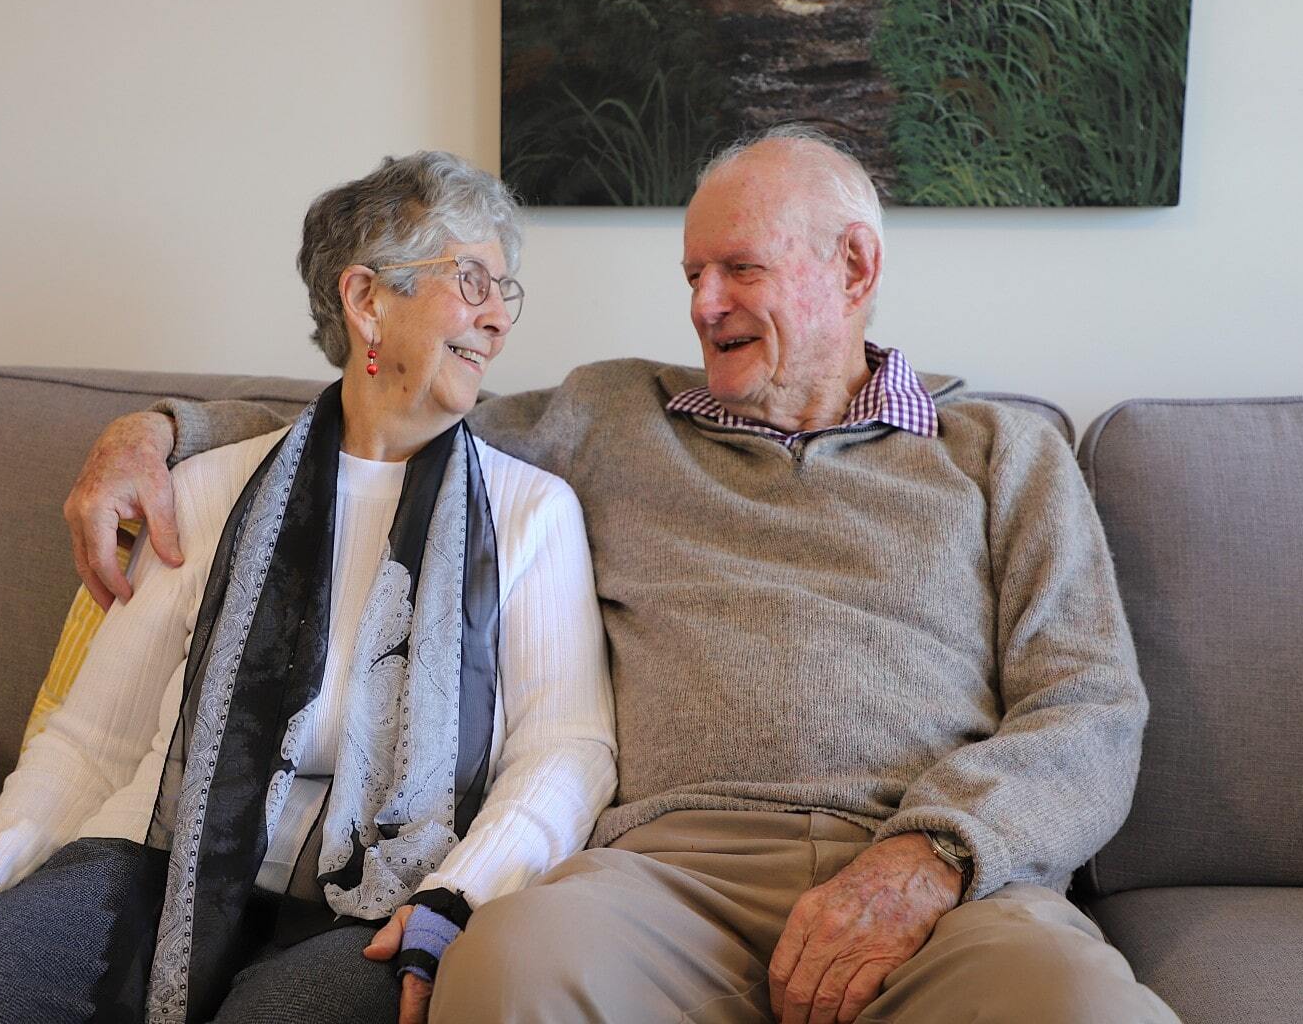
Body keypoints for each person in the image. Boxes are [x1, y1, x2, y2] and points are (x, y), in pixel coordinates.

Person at [65, 126, 1178, 1023]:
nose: (700, 305)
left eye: (738, 268)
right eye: (692, 273)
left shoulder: (998, 449)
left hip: (936, 879)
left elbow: (1089, 706)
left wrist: (932, 858)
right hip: (665, 879)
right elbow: (384, 416)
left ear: (854, 267)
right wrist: (165, 430)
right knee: (508, 974)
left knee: (1082, 1006)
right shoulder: (612, 413)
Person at [0, 151, 616, 1024]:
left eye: (507, 291)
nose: (499, 320)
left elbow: (566, 749)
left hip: (388, 893)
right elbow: (92, 739)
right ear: (367, 300)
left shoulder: (533, 513)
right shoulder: (206, 491)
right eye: (473, 281)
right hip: (162, 857)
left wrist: (457, 895)